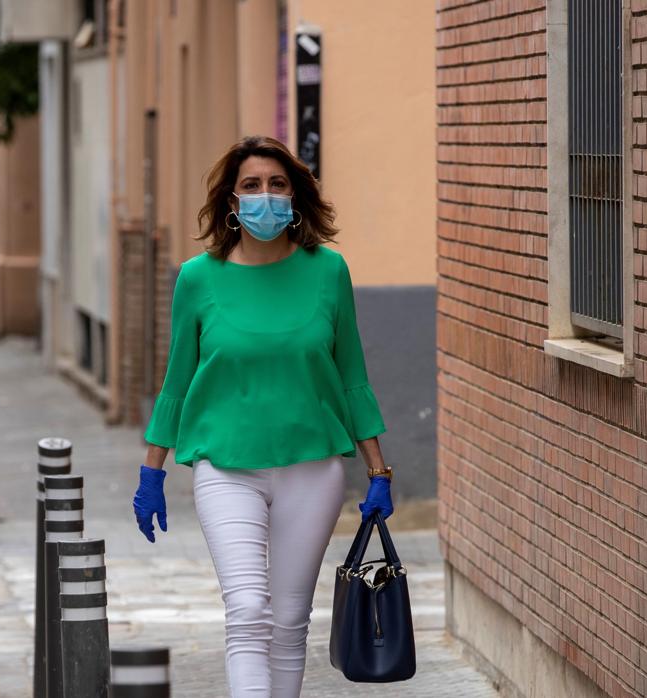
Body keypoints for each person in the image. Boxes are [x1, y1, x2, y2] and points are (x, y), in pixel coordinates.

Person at [132, 136, 394, 697]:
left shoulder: (328, 272)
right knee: (248, 610)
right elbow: (177, 381)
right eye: (251, 186)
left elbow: (352, 376)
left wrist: (379, 471)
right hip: (226, 469)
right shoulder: (197, 278)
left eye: (277, 185)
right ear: (231, 200)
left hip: (313, 468)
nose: (265, 197)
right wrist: (151, 470)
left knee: (289, 622)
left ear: (296, 196)